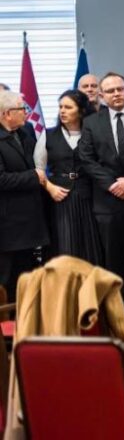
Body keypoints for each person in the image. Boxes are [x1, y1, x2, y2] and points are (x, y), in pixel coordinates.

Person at [78, 72, 124, 331]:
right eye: (110, 91)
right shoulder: (91, 122)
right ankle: (119, 310)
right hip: (107, 202)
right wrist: (113, 185)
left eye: (120, 89)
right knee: (113, 258)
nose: (116, 94)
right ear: (101, 95)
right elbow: (87, 159)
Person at [34, 90, 101, 265]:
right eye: (60, 107)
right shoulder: (48, 135)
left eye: (68, 107)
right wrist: (49, 187)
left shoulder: (93, 134)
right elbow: (38, 169)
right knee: (64, 242)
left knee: (90, 244)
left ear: (81, 111)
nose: (62, 111)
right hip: (59, 196)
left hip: (88, 195)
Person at [0, 90, 48, 290]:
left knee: (27, 278)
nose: (26, 112)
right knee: (7, 280)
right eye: (22, 108)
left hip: (30, 221)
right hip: (8, 225)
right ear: (6, 114)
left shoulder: (25, 132)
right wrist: (34, 176)